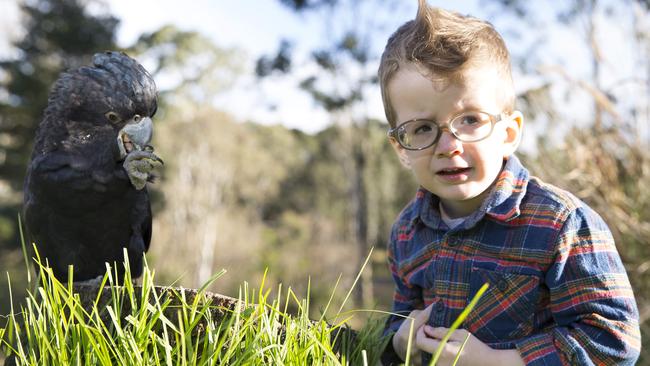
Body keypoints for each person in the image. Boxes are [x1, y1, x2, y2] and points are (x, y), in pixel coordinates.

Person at [377, 1, 641, 365]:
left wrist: (502, 361)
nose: (449, 146)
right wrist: (398, 340)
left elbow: (614, 341)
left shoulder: (561, 224)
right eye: (422, 128)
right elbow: (398, 319)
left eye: (470, 120)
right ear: (401, 148)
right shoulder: (407, 232)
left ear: (509, 132)